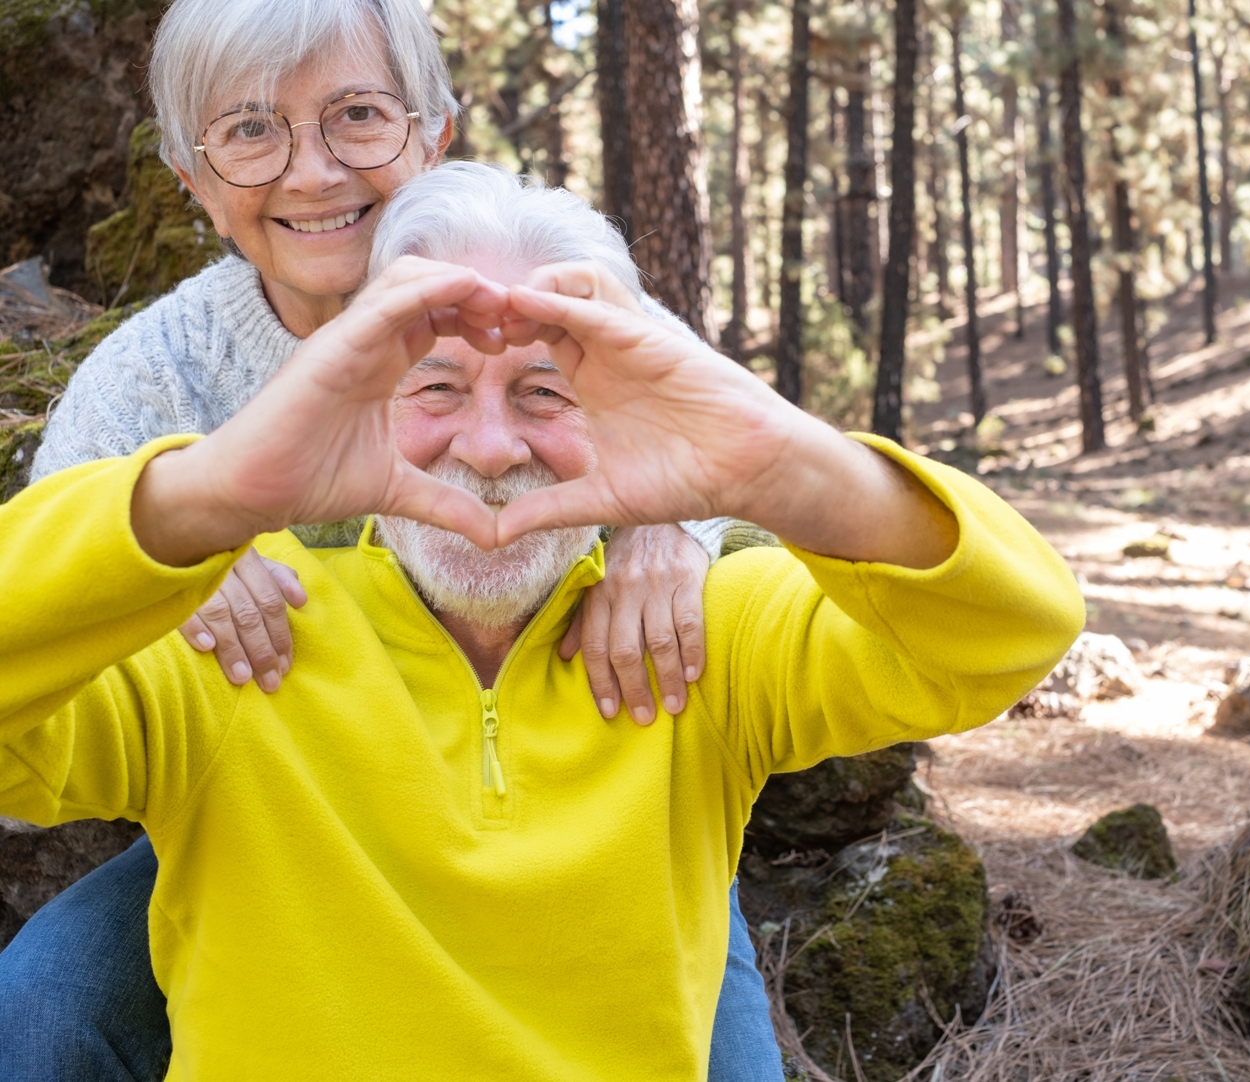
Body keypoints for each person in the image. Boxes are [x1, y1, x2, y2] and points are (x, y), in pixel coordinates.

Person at [0, 162, 1086, 1077]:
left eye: (544, 393)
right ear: (355, 395)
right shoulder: (230, 635)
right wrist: (206, 498)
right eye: (433, 387)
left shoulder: (700, 638)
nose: (488, 446)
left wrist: (777, 464)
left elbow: (1007, 631)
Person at [0, 1, 778, 1079]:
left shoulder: (541, 286)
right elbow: (39, 639)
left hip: (595, 836)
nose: (312, 172)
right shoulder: (144, 380)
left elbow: (710, 438)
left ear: (433, 133)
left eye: (356, 116)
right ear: (191, 177)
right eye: (250, 131)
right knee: (39, 1005)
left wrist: (672, 532)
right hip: (270, 841)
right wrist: (162, 563)